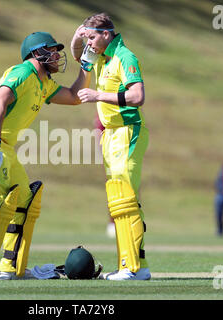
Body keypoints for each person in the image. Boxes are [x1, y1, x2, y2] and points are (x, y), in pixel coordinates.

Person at [0, 31, 92, 280]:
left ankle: (10, 266)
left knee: (24, 199)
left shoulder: (44, 83)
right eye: (52, 50)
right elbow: (0, 101)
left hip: (4, 146)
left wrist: (86, 65)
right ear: (37, 53)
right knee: (0, 199)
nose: (57, 55)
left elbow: (75, 97)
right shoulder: (23, 72)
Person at [70, 13, 150, 280]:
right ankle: (128, 265)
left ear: (106, 34)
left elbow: (138, 96)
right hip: (111, 136)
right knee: (118, 202)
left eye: (92, 37)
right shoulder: (101, 57)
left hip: (128, 132)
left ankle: (135, 268)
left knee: (126, 200)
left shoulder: (125, 56)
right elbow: (77, 57)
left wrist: (98, 96)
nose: (89, 44)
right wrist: (77, 37)